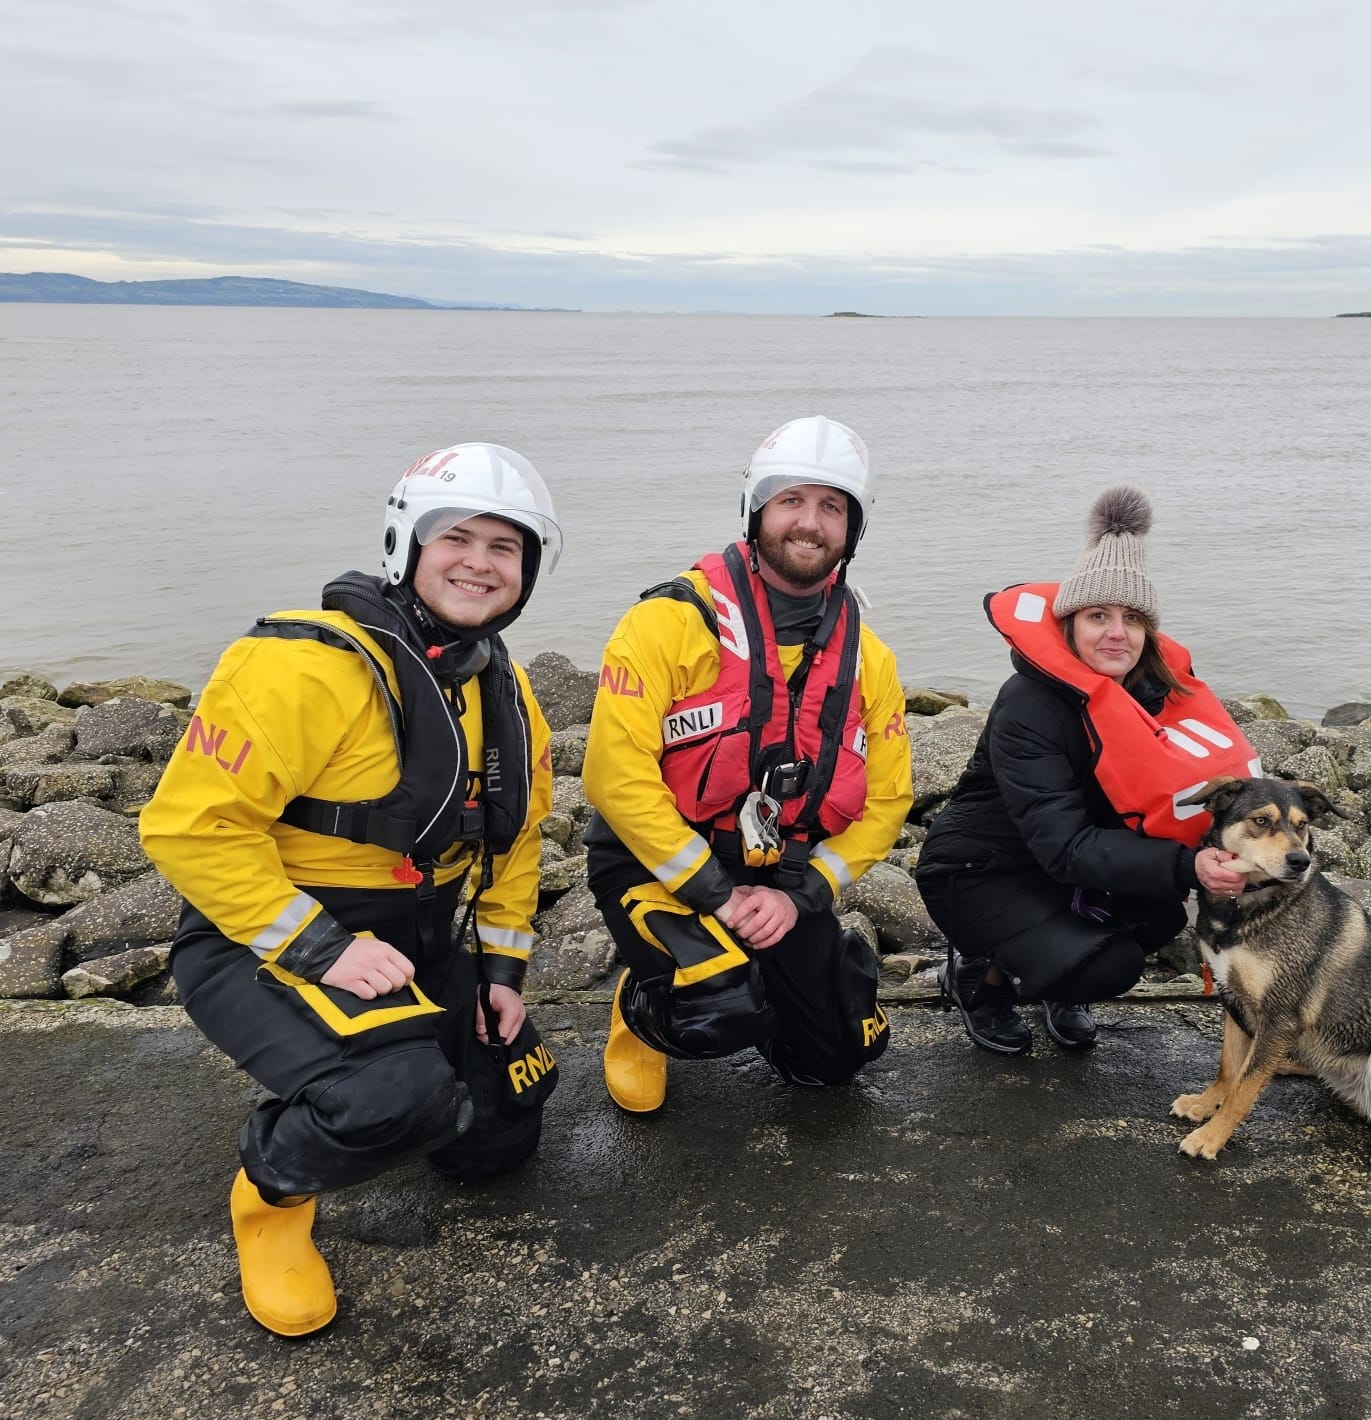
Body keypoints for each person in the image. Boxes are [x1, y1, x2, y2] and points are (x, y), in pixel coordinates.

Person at [139, 443, 559, 1337]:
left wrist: (502, 975)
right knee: (394, 1100)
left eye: (506, 547)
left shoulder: (507, 689)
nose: (480, 563)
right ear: (407, 541)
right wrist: (320, 947)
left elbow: (513, 846)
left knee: (498, 1131)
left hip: (425, 933)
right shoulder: (300, 665)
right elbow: (188, 826)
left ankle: (393, 1067)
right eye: (459, 538)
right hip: (268, 938)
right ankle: (271, 1198)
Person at [582, 415, 912, 1112]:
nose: (809, 522)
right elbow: (614, 776)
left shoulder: (870, 660)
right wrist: (716, 894)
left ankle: (785, 979)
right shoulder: (666, 624)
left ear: (851, 530)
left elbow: (886, 801)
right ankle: (647, 999)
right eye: (791, 500)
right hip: (659, 867)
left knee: (832, 1064)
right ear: (756, 509)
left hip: (780, 875)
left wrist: (803, 895)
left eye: (831, 507)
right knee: (717, 1011)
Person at [915, 485, 1257, 1055]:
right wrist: (1189, 864)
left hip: (1070, 871)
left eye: (1131, 618)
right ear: (1071, 623)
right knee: (1111, 965)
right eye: (1098, 615)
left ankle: (1054, 972)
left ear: (1148, 632)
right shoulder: (1028, 702)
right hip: (982, 869)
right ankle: (982, 979)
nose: (1115, 633)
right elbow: (1063, 845)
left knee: (1161, 916)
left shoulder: (1155, 697)